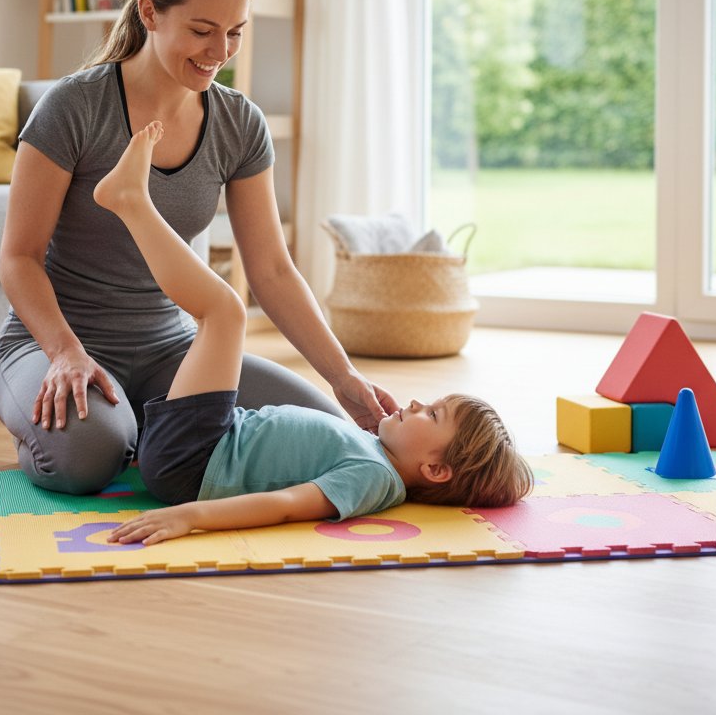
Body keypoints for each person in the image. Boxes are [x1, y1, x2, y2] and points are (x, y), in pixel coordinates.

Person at [0, 0, 399, 495]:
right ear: (150, 13)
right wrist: (64, 352)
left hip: (172, 351)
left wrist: (343, 376)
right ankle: (81, 426)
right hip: (56, 342)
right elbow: (18, 257)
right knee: (87, 458)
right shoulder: (73, 108)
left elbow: (272, 271)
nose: (220, 52)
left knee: (329, 433)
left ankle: (139, 427)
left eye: (235, 33)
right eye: (202, 31)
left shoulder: (239, 124)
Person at [91, 121, 532, 545]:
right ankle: (130, 199)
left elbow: (284, 504)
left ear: (436, 470)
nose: (417, 403)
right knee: (223, 314)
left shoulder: (373, 478)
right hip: (209, 441)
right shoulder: (374, 450)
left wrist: (190, 517)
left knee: (225, 311)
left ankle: (131, 201)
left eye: (432, 415)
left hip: (194, 460)